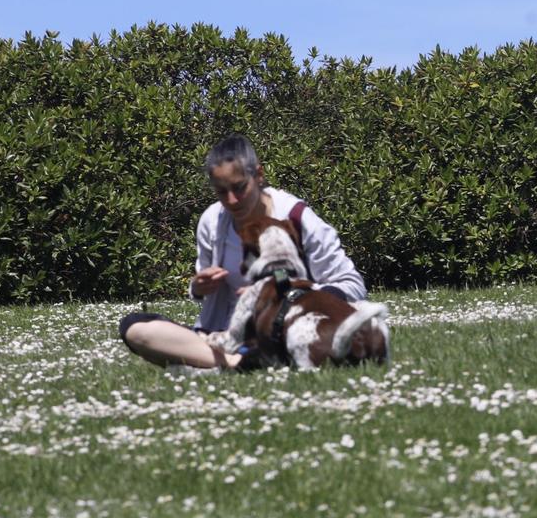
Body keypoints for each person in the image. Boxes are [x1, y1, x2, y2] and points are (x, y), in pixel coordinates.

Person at [117, 134, 369, 371]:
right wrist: (199, 286)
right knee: (135, 329)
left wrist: (277, 294)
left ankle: (222, 362)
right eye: (221, 192)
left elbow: (351, 285)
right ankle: (238, 362)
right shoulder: (211, 221)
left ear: (258, 175)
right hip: (226, 334)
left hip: (290, 328)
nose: (232, 200)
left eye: (239, 188)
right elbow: (203, 287)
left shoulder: (296, 217)